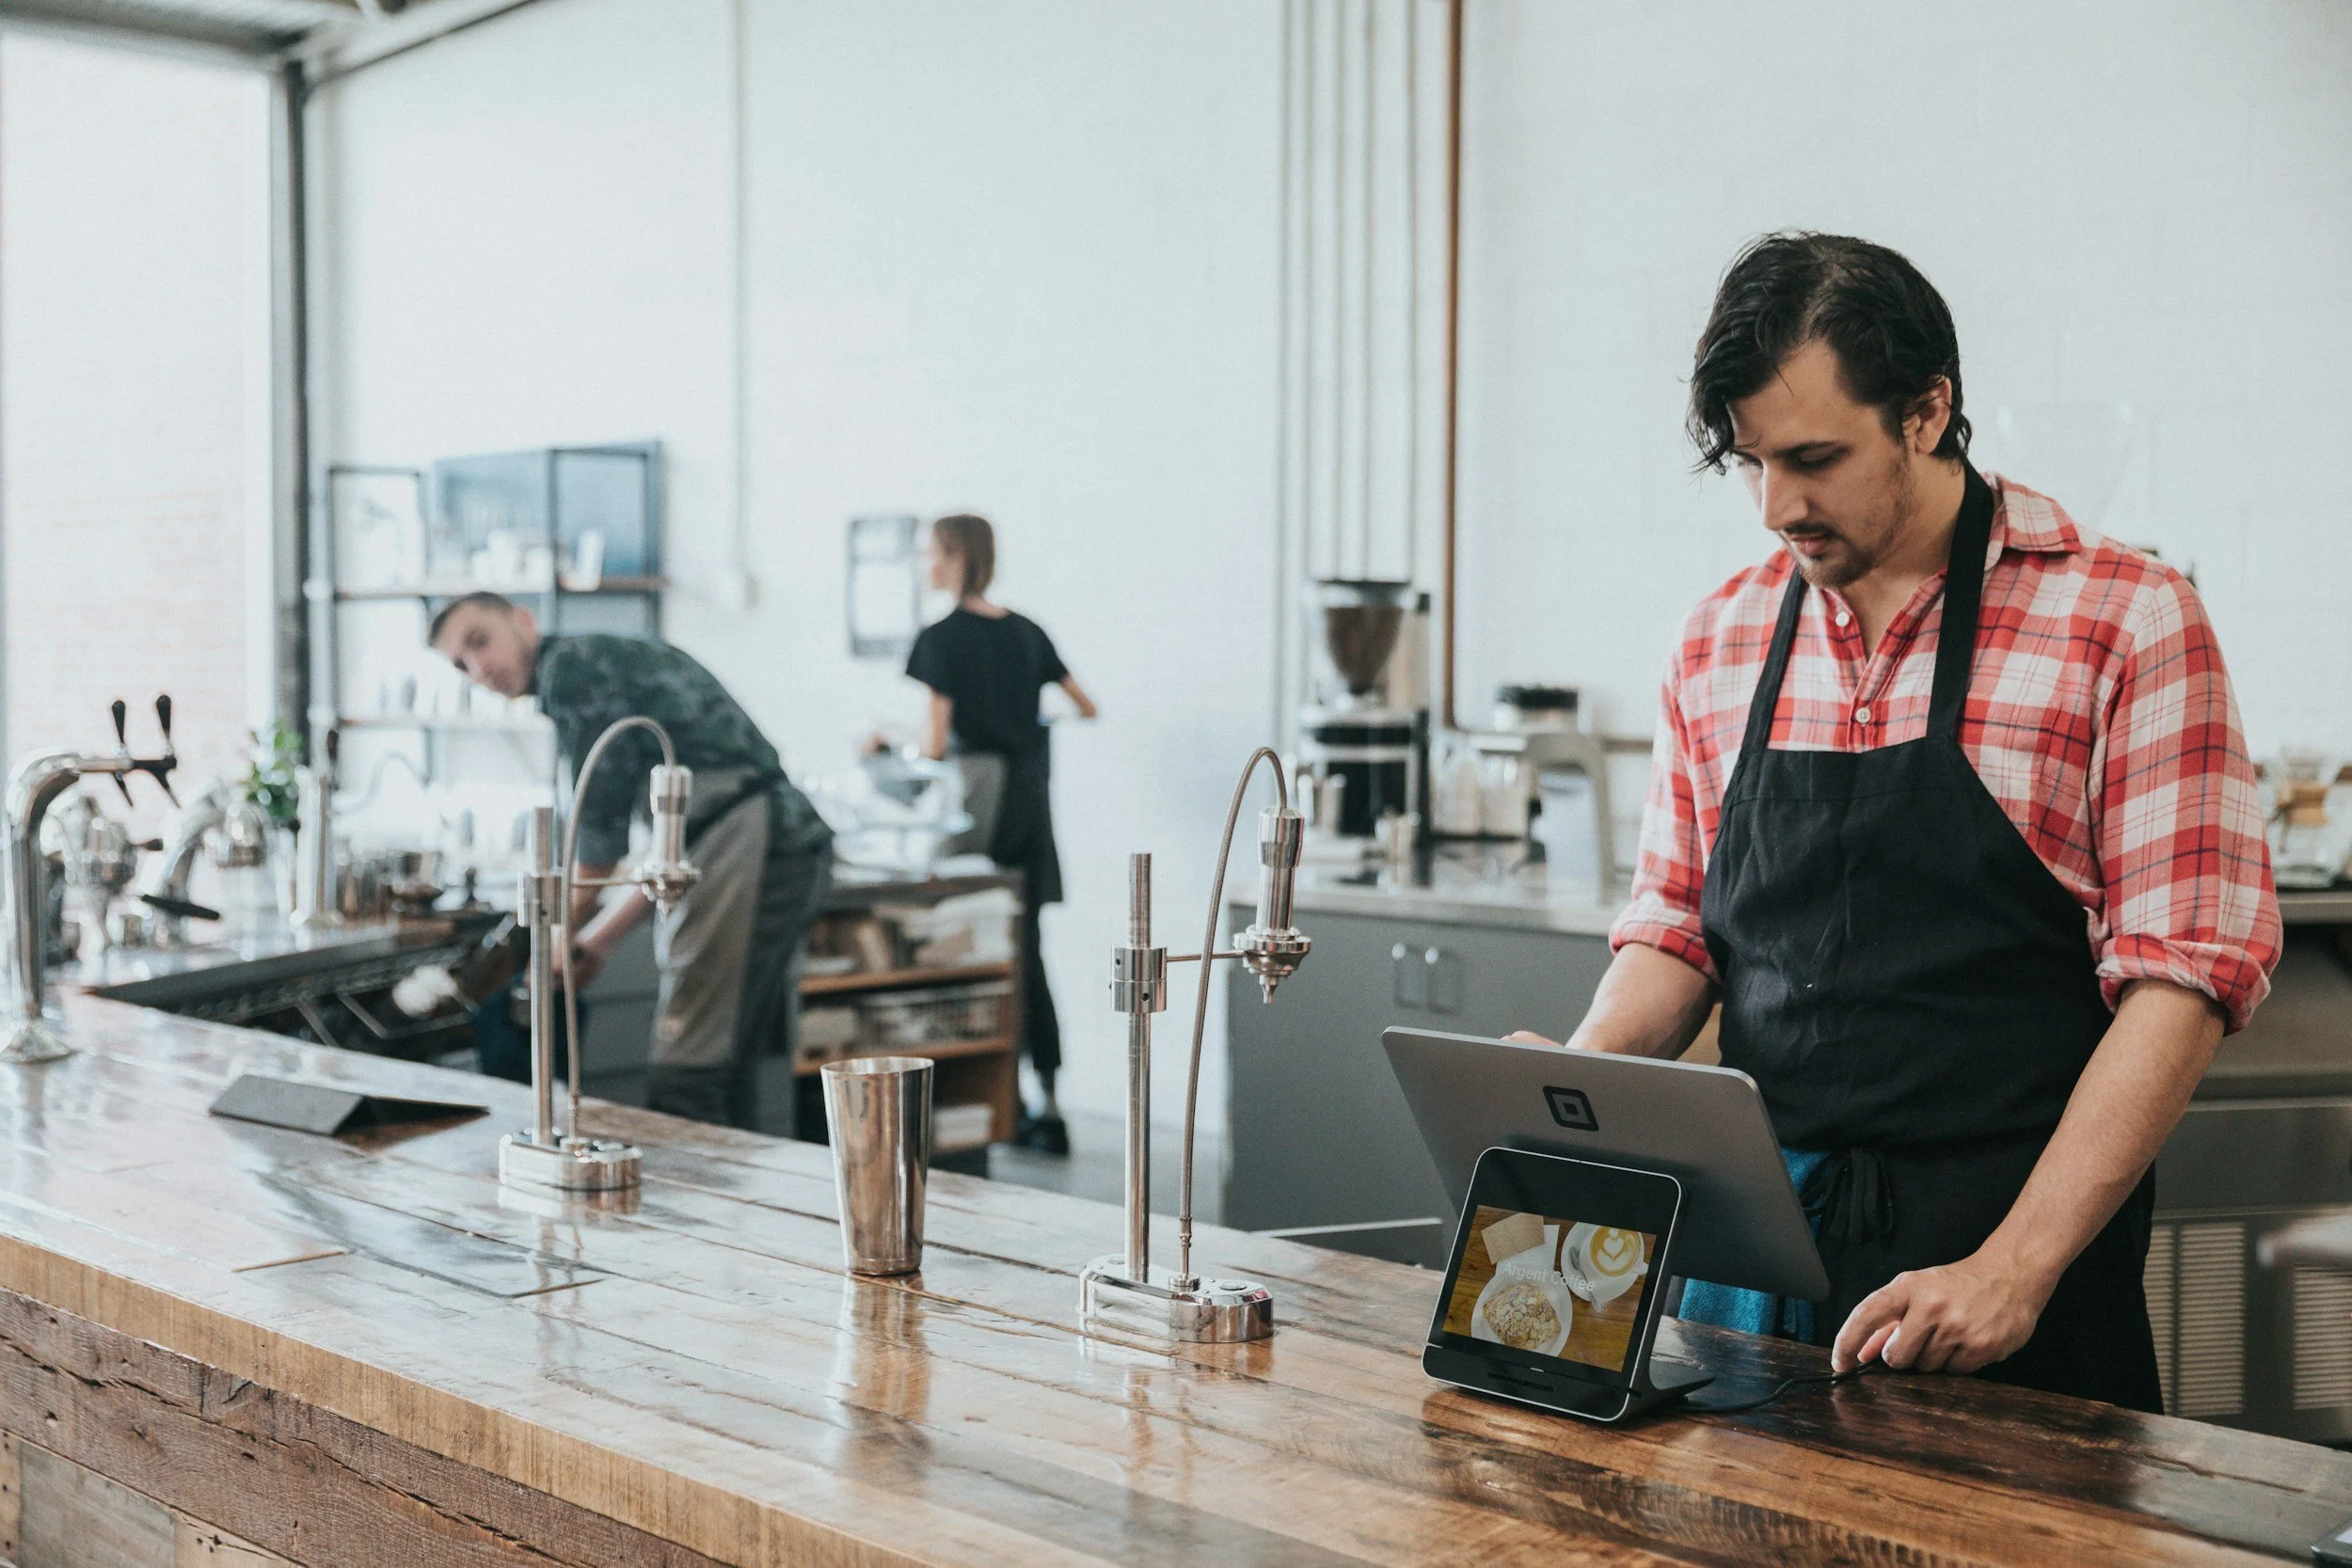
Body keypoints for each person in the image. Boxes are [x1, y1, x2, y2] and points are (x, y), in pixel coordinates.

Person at [1516, 232, 2280, 1411]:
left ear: (1927, 411)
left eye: (1814, 457)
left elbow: (2179, 983)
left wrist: (2012, 1269)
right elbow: (1677, 930)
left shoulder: (2125, 622)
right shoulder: (1719, 637)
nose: (1778, 506)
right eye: (1751, 462)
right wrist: (1572, 1085)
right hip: (1751, 1279)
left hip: (2006, 1282)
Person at [430, 594, 834, 1130]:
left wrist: (554, 940)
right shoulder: (595, 662)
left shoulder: (573, 671)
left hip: (761, 840)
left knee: (689, 1068)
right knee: (717, 1061)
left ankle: (701, 1207)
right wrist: (594, 940)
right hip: (756, 841)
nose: (478, 669)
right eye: (461, 665)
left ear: (523, 620)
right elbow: (671, 856)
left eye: (480, 641)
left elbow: (599, 843)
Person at [895, 515, 1097, 1153]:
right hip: (1029, 798)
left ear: (954, 557)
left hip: (977, 796)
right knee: (1025, 948)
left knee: (952, 939)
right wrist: (1031, 722)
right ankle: (1049, 1101)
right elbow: (1084, 705)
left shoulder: (940, 638)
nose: (924, 562)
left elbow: (931, 745)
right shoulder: (1027, 631)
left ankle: (962, 1099)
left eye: (930, 551)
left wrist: (887, 744)